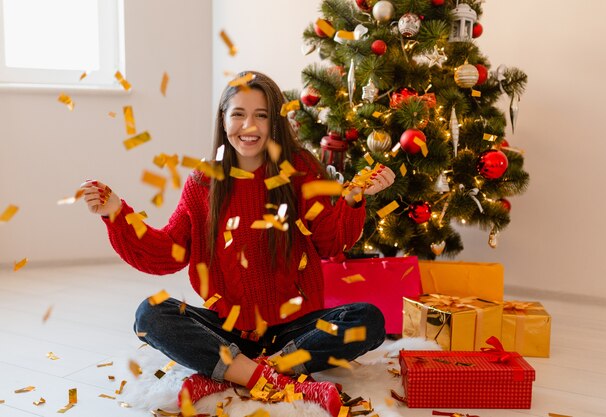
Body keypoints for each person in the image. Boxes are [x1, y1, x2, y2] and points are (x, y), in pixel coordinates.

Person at [81, 71, 395, 417]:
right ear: (223, 118)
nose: (250, 126)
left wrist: (351, 202)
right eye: (239, 114)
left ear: (275, 121)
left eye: (261, 115)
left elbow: (330, 244)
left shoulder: (301, 168)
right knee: (150, 315)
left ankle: (236, 376)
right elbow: (166, 254)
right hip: (228, 329)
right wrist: (116, 213)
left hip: (295, 327)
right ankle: (271, 378)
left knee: (368, 319)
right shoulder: (203, 181)